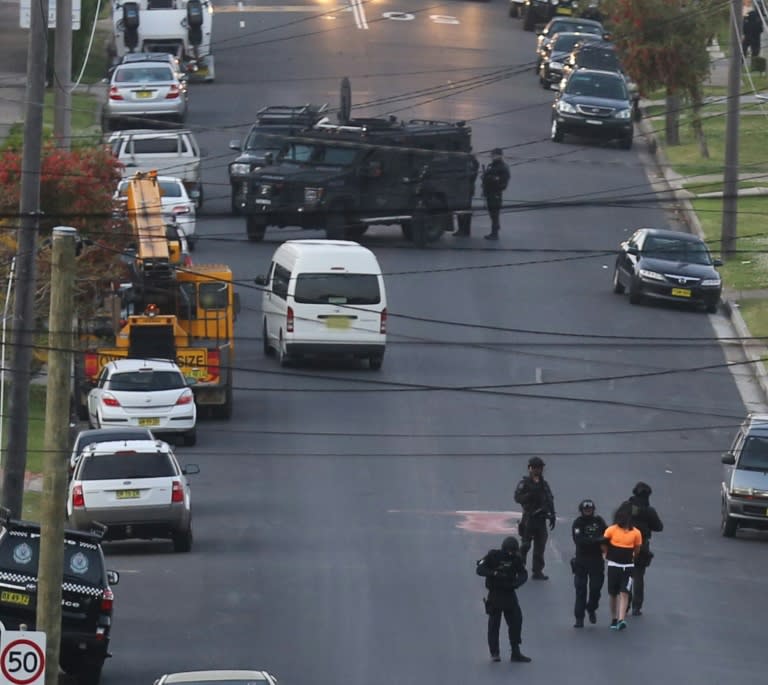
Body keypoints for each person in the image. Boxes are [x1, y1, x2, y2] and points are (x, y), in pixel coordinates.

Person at [476, 536, 531, 663]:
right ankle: (494, 652)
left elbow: (523, 573)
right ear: (504, 549)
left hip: (509, 593)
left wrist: (517, 583)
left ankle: (515, 652)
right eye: (509, 551)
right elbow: (479, 568)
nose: (511, 554)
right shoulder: (493, 556)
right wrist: (494, 573)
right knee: (494, 624)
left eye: (513, 551)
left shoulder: (516, 559)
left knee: (516, 621)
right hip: (495, 594)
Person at [602, 502, 642, 631]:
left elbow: (637, 549)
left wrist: (632, 559)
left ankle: (621, 619)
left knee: (625, 592)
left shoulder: (636, 533)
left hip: (628, 567)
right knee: (613, 594)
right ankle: (614, 618)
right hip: (613, 566)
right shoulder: (611, 530)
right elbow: (604, 545)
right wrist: (607, 555)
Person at [514, 456, 556, 580]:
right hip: (528, 518)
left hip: (541, 519)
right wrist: (529, 495)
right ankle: (519, 569)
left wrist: (552, 514)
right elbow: (517, 498)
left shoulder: (544, 484)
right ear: (530, 468)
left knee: (540, 546)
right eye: (535, 468)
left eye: (540, 468)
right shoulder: (524, 483)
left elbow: (549, 499)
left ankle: (537, 571)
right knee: (525, 545)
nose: (537, 470)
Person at [627, 481, 663, 616]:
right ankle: (636, 606)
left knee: (626, 575)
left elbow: (616, 522)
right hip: (641, 545)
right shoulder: (649, 511)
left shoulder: (626, 507)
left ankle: (625, 602)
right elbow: (659, 527)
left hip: (624, 545)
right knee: (638, 576)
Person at [570, 499, 607, 628]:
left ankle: (591, 608)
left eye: (590, 509)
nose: (588, 512)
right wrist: (597, 540)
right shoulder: (578, 523)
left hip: (597, 561)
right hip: (582, 561)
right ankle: (579, 618)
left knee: (596, 589)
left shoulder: (599, 521)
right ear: (581, 511)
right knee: (580, 590)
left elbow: (607, 536)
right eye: (585, 510)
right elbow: (579, 541)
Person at [480, 147, 510, 241]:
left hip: (495, 194)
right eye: (492, 155)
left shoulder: (502, 167)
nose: (492, 157)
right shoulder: (492, 165)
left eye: (494, 155)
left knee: (494, 214)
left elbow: (503, 183)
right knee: (492, 214)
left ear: (500, 156)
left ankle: (495, 233)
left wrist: (492, 179)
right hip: (489, 193)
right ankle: (495, 230)